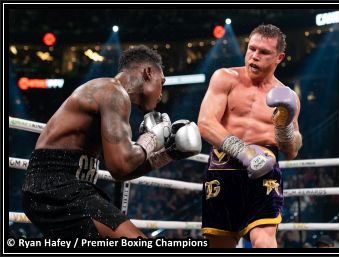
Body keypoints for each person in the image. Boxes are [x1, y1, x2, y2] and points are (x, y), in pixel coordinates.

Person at [22, 45, 202, 238]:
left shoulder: (116, 101)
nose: (161, 93)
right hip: (56, 186)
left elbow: (122, 172)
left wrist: (167, 155)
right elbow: (120, 165)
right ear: (148, 73)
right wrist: (151, 139)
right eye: (162, 82)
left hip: (65, 186)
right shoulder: (111, 92)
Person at [198, 24, 302, 248]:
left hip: (264, 175)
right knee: (220, 246)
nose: (254, 56)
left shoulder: (287, 96)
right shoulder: (225, 77)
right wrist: (244, 152)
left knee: (264, 242)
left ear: (279, 57)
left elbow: (292, 150)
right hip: (223, 168)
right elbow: (205, 123)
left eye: (263, 52)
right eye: (251, 49)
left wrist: (283, 127)